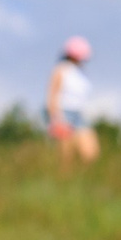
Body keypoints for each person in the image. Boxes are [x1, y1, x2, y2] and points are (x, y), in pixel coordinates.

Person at [46, 37, 96, 166]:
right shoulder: (61, 70)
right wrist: (55, 119)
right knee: (66, 157)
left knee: (90, 153)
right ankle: (64, 182)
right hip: (64, 113)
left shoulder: (81, 72)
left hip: (80, 114)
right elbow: (52, 94)